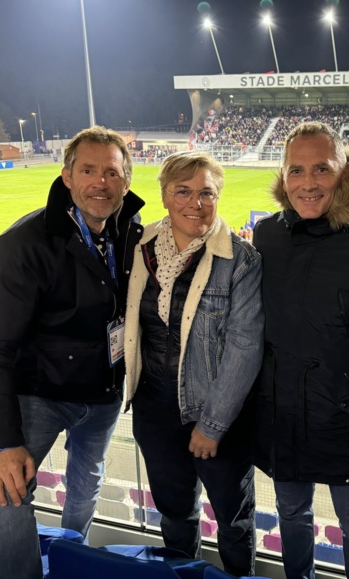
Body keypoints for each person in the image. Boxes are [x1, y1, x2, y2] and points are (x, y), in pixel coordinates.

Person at [0, 125, 145, 579]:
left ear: (126, 179)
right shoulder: (23, 244)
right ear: (67, 176)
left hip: (103, 395)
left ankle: (73, 558)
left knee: (87, 485)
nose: (100, 182)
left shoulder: (132, 233)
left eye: (112, 172)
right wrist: (3, 443)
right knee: (3, 493)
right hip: (39, 397)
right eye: (88, 170)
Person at [252, 122, 349, 579]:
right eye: (296, 170)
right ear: (282, 176)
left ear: (344, 171)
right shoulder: (267, 237)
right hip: (282, 418)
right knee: (291, 514)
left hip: (347, 425)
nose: (307, 182)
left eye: (321, 168)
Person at [124, 150, 263, 576]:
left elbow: (245, 347)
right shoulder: (141, 247)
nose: (195, 203)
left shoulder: (240, 259)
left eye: (206, 193)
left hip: (216, 416)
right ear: (164, 195)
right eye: (183, 191)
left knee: (233, 521)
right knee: (174, 513)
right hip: (154, 410)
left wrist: (212, 425)